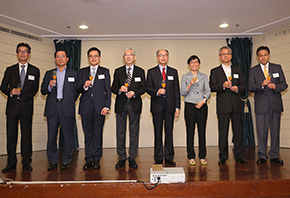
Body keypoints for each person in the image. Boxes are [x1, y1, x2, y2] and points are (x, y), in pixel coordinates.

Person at [1, 43, 40, 172]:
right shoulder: (10, 69)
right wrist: (10, 91)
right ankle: (11, 163)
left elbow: (34, 90)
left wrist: (25, 99)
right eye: (20, 51)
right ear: (17, 53)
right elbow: (2, 86)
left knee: (26, 136)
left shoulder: (35, 70)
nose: (22, 54)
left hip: (27, 108)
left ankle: (26, 162)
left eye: (25, 51)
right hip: (12, 108)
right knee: (11, 136)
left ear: (29, 54)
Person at [249, 46, 288, 165]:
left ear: (269, 55)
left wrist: (276, 87)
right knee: (262, 131)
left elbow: (284, 84)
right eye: (260, 55)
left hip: (275, 104)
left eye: (265, 55)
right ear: (257, 57)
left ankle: (275, 155)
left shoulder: (277, 67)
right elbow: (250, 87)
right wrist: (261, 85)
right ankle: (262, 155)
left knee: (275, 131)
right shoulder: (253, 70)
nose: (263, 57)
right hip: (261, 105)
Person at [41, 49, 79, 170]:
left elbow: (77, 91)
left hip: (67, 107)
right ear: (55, 59)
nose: (60, 58)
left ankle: (67, 161)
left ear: (67, 59)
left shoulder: (74, 74)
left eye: (63, 56)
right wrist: (49, 86)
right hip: (53, 107)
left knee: (68, 136)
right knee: (51, 136)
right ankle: (52, 161)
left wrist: (69, 100)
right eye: (58, 57)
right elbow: (42, 90)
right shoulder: (49, 73)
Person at [209, 46, 246, 165]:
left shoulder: (238, 70)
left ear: (231, 55)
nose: (226, 56)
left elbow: (244, 86)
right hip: (223, 106)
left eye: (228, 54)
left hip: (236, 105)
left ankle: (239, 156)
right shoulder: (215, 71)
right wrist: (223, 85)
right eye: (223, 54)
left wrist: (237, 89)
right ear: (219, 57)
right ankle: (223, 156)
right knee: (223, 131)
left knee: (238, 132)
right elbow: (211, 87)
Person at [76, 47, 111, 169]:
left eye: (96, 56)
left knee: (98, 134)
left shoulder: (105, 71)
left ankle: (97, 159)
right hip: (85, 107)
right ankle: (88, 159)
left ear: (99, 58)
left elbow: (108, 90)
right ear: (88, 58)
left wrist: (107, 106)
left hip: (100, 107)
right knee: (88, 135)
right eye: (91, 56)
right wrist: (84, 86)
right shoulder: (82, 71)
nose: (93, 58)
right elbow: (77, 88)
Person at [111, 48, 146, 169]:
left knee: (134, 132)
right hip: (121, 104)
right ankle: (121, 157)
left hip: (134, 104)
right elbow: (113, 87)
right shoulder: (118, 71)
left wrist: (134, 93)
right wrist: (119, 89)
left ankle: (132, 157)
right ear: (123, 58)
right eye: (126, 55)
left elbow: (143, 88)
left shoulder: (140, 71)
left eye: (130, 55)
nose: (128, 57)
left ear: (134, 57)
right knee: (120, 132)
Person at [146, 49, 180, 166]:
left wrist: (177, 107)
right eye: (160, 55)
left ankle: (169, 157)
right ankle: (158, 157)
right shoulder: (151, 72)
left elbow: (176, 91)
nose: (163, 57)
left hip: (170, 107)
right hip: (157, 107)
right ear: (157, 58)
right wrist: (157, 92)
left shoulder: (173, 72)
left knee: (169, 132)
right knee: (158, 132)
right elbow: (148, 88)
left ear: (168, 57)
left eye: (165, 55)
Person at [180, 55, 211, 166]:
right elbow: (182, 92)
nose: (194, 64)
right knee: (190, 131)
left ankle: (202, 156)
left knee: (202, 131)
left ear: (199, 64)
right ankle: (191, 156)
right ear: (189, 65)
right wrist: (190, 84)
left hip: (202, 105)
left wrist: (203, 101)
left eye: (196, 62)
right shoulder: (185, 76)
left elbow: (208, 91)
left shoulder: (204, 76)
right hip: (190, 105)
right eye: (192, 62)